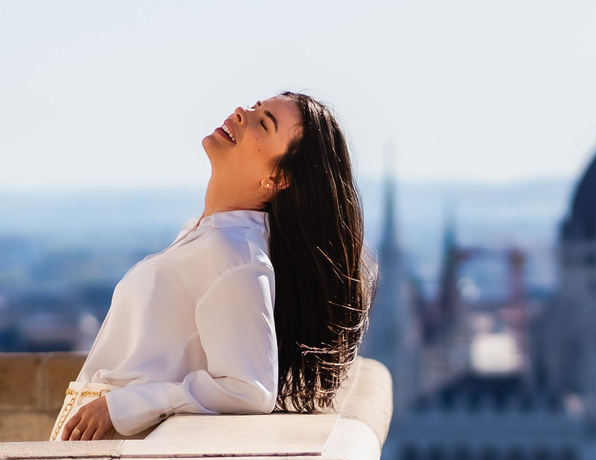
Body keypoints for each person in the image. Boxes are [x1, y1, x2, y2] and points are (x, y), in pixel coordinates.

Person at [50, 91, 378, 441]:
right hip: (90, 447)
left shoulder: (236, 256)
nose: (241, 113)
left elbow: (249, 389)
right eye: (255, 107)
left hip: (117, 454)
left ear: (279, 179)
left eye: (263, 123)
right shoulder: (209, 235)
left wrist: (123, 406)